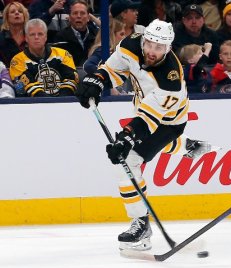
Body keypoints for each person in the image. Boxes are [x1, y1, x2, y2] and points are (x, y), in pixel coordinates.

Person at [75, 19, 216, 251]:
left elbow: (149, 121)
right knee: (139, 149)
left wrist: (127, 137)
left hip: (168, 122)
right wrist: (97, 81)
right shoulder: (131, 44)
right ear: (144, 39)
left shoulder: (170, 78)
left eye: (159, 48)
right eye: (149, 44)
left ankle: (141, 225)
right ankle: (189, 147)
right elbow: (114, 69)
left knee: (127, 160)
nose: (152, 51)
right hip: (142, 107)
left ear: (168, 48)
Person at [9, 19, 78, 97]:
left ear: (46, 37)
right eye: (32, 34)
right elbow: (29, 88)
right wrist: (49, 103)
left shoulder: (63, 54)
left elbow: (70, 80)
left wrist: (60, 102)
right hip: (33, 105)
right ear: (26, 38)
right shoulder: (17, 61)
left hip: (64, 102)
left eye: (40, 34)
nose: (36, 37)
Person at [83, 18, 126, 95]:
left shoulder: (117, 52)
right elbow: (88, 65)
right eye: (121, 34)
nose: (124, 37)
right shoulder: (103, 50)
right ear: (111, 35)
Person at [54, 0, 98, 66]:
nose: (79, 16)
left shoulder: (97, 35)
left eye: (82, 13)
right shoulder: (61, 37)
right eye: (75, 13)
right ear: (69, 17)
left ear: (88, 17)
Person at [0, 1, 29, 67]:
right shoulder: (1, 38)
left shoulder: (32, 35)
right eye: (12, 12)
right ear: (7, 17)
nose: (17, 13)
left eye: (20, 11)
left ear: (24, 16)